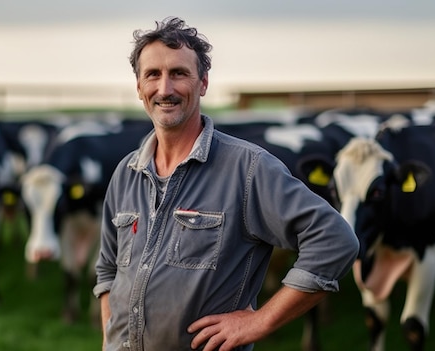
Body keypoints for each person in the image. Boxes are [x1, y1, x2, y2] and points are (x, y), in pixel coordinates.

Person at [93, 16, 359, 351]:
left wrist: (260, 321)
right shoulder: (126, 173)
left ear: (203, 83)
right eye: (153, 75)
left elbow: (335, 240)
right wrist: (111, 341)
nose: (165, 89)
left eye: (178, 73)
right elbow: (108, 271)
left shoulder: (247, 169)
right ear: (139, 88)